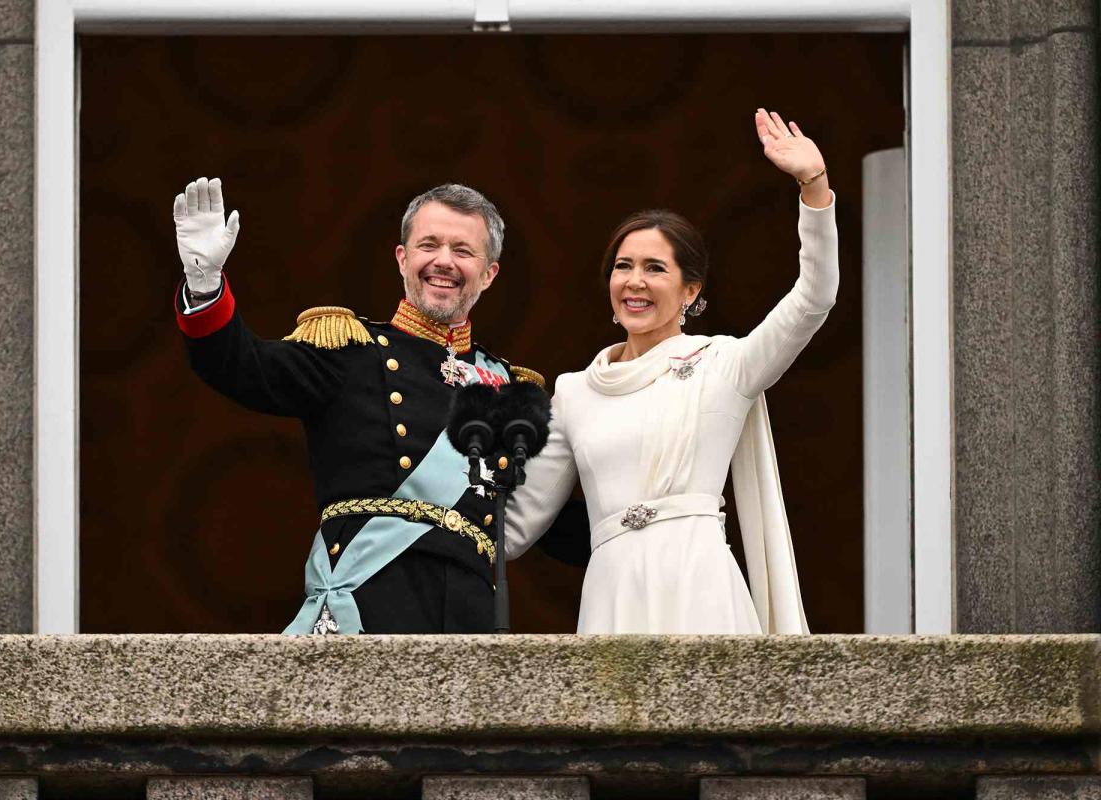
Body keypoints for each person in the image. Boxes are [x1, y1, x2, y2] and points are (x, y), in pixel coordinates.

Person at [504, 109, 837, 634]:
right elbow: (516, 526)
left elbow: (814, 299)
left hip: (698, 584)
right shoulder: (574, 392)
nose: (634, 281)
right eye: (623, 266)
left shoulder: (725, 365)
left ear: (690, 291)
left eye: (655, 268)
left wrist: (813, 187)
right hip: (612, 594)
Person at [172, 180, 546, 635]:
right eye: (429, 245)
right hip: (369, 601)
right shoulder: (348, 350)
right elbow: (241, 367)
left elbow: (552, 509)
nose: (443, 260)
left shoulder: (510, 390)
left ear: (489, 273)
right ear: (402, 259)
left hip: (468, 615)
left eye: (463, 250)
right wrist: (204, 281)